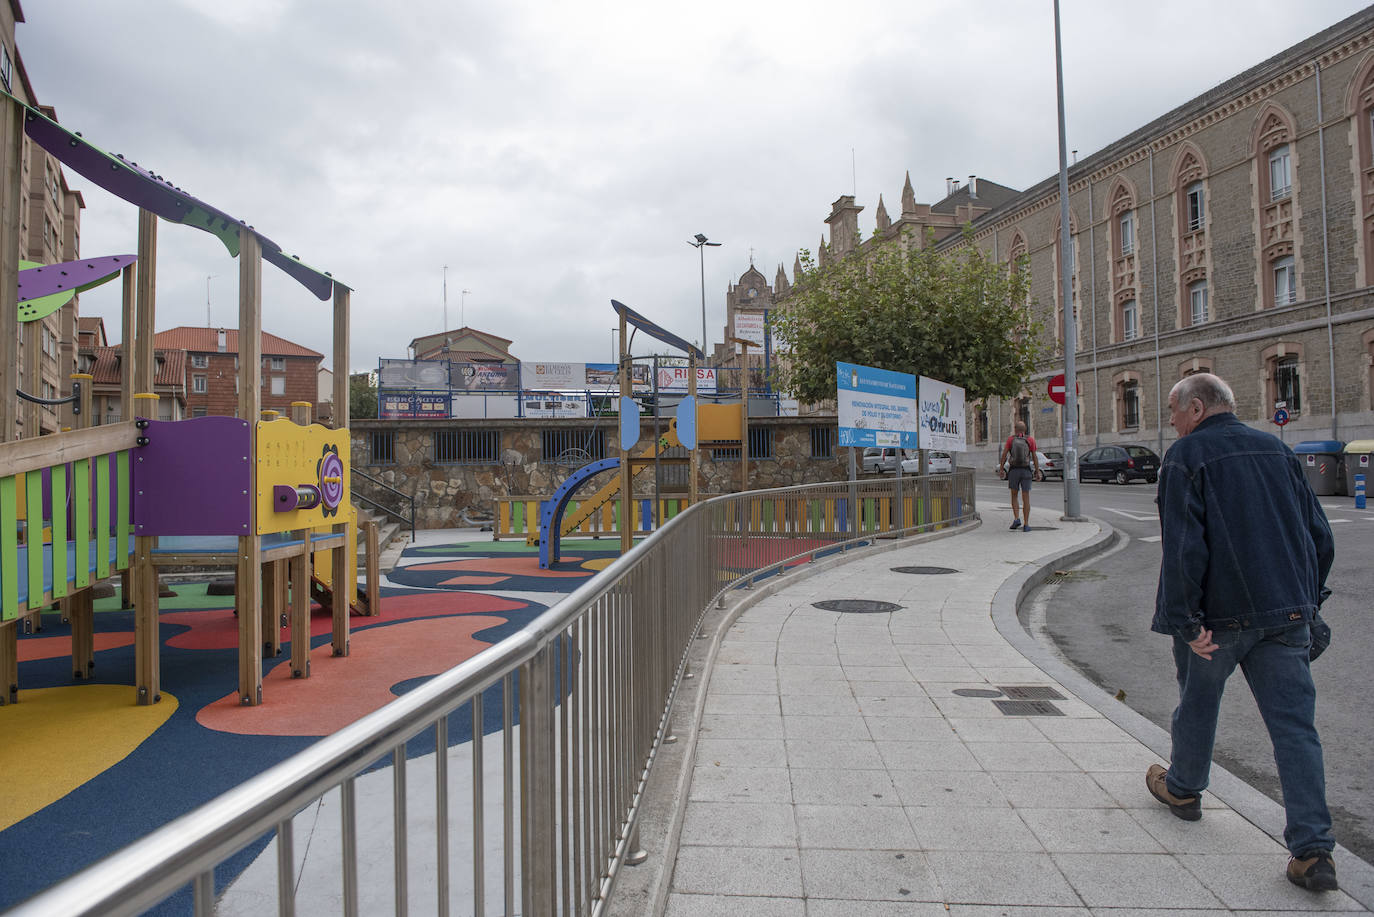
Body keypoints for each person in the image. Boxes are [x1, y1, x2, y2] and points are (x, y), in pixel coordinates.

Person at [1147, 373, 1338, 892]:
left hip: (1218, 620)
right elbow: (1319, 537)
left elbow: (1184, 548)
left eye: (1173, 409)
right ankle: (1313, 849)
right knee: (1296, 730)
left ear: (1198, 408)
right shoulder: (1278, 452)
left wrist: (1186, 622)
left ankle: (1184, 790)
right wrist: (1308, 603)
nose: (1170, 421)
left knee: (1198, 702)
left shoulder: (1186, 458)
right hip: (1286, 616)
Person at [997, 421, 1040, 531]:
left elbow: (1004, 454)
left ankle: (1016, 519)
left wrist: (1001, 468)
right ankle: (1026, 524)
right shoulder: (1030, 440)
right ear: (1025, 429)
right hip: (1026, 471)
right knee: (1026, 498)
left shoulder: (1011, 440)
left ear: (1015, 429)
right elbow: (1034, 456)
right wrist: (1037, 471)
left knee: (1014, 495)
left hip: (1014, 471)